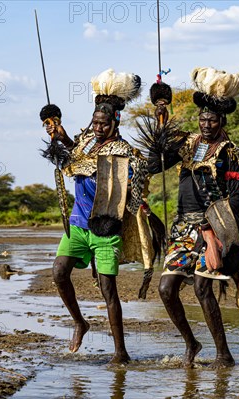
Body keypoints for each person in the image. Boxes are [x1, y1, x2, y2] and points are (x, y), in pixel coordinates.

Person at [145, 67, 239, 368]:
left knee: (202, 288)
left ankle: (223, 354)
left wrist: (214, 235)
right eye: (202, 119)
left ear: (222, 121)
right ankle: (191, 342)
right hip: (183, 227)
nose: (206, 123)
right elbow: (153, 165)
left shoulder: (230, 154)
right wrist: (160, 127)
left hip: (214, 229)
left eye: (212, 119)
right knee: (166, 289)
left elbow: (235, 196)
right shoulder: (188, 144)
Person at [40, 69, 153, 364]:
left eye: (103, 123)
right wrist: (58, 135)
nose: (98, 127)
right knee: (58, 271)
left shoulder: (123, 151)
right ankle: (80, 322)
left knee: (108, 291)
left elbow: (131, 186)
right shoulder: (87, 141)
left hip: (105, 227)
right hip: (77, 224)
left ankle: (120, 352)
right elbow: (74, 154)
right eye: (95, 122)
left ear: (115, 121)